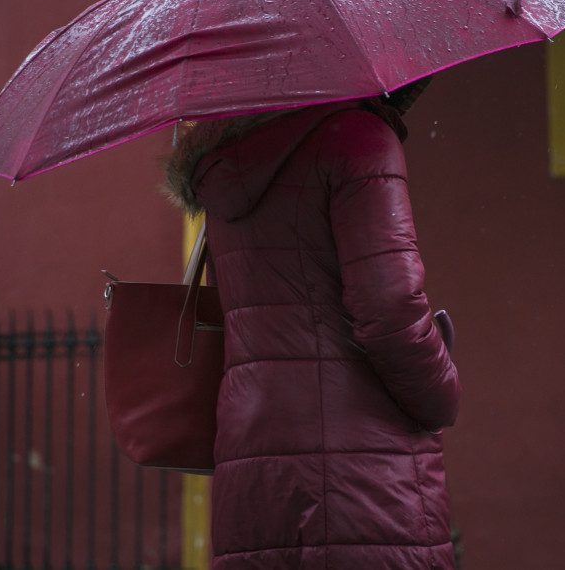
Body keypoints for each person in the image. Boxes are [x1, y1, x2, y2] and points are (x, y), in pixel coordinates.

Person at [164, 89, 461, 570]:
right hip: (360, 475)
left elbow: (234, 319)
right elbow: (389, 309)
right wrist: (442, 392)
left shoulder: (223, 162)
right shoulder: (357, 138)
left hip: (253, 468)